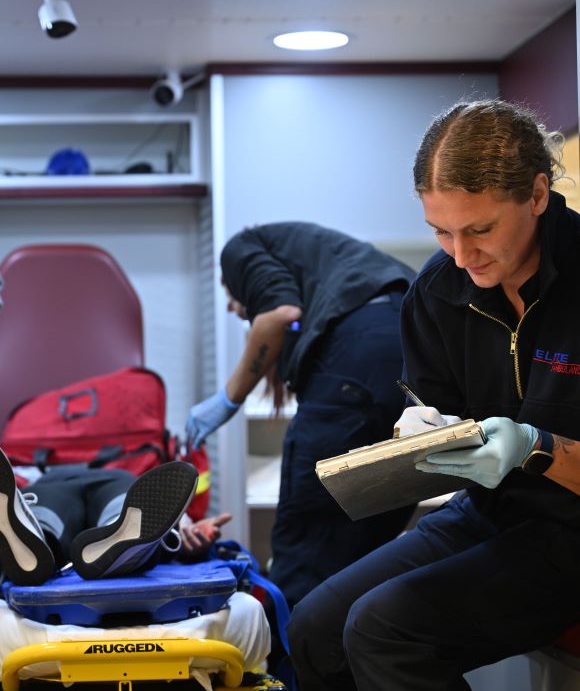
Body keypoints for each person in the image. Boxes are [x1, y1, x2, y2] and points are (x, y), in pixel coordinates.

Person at [288, 99, 580, 690]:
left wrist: (536, 447)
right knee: (314, 627)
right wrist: (421, 436)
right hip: (495, 516)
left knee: (384, 629)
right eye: (440, 231)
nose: (462, 255)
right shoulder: (438, 291)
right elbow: (442, 420)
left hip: (573, 531)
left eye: (480, 230)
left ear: (538, 195)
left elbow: (534, 451)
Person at [186, 222, 416, 608]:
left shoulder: (239, 249)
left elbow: (279, 314)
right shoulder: (326, 261)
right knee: (364, 547)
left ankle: (290, 666)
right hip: (413, 361)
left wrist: (228, 398)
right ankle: (346, 660)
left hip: (357, 360)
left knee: (304, 553)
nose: (232, 306)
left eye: (234, 300)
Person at [0, 450, 232, 586]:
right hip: (116, 481)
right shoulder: (130, 464)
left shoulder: (41, 469)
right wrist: (185, 531)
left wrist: (184, 528)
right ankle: (124, 541)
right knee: (123, 509)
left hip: (53, 485)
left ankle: (35, 535)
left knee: (47, 517)